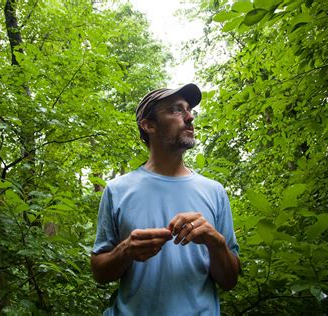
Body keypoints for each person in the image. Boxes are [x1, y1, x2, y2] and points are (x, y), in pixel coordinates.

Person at [91, 83, 240, 315]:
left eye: (189, 109)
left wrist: (215, 242)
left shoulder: (214, 191)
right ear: (149, 125)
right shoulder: (117, 190)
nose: (189, 117)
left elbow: (230, 281)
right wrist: (127, 250)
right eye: (176, 110)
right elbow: (99, 273)